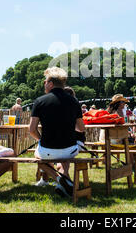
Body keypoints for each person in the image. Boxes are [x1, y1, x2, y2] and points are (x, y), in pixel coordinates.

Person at [29, 67, 85, 198]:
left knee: (37, 155)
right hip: (69, 149)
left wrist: (40, 139)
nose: (44, 84)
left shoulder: (40, 101)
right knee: (64, 158)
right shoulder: (74, 101)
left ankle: (60, 180)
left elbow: (31, 130)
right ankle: (65, 183)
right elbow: (81, 129)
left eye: (45, 82)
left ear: (50, 84)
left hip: (47, 150)